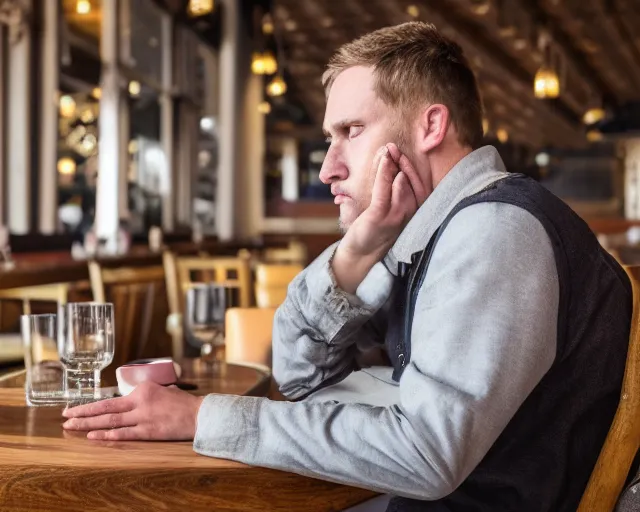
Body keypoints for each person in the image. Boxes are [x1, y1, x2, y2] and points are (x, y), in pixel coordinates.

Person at [62, 22, 632, 511]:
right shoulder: (425, 229)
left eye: (351, 132)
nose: (329, 167)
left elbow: (427, 455)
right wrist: (359, 250)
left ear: (430, 127)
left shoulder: (492, 231)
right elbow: (299, 377)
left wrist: (204, 417)